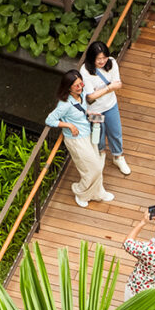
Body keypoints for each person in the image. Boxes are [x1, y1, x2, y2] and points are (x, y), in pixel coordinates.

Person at [44, 70, 114, 208]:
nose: (80, 87)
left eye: (81, 83)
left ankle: (99, 192)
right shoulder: (64, 105)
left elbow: (82, 113)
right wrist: (68, 125)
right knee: (90, 169)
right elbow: (50, 120)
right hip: (76, 141)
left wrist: (91, 115)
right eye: (76, 85)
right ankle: (80, 191)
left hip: (87, 134)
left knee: (97, 165)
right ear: (68, 87)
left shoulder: (80, 95)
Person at [80, 41, 130, 175]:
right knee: (98, 135)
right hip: (94, 109)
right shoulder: (85, 71)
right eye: (98, 59)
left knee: (115, 131)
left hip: (110, 105)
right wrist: (108, 88)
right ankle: (101, 153)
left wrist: (101, 91)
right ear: (92, 58)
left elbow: (118, 84)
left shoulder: (112, 63)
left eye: (104, 57)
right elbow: (90, 97)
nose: (102, 61)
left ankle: (118, 156)